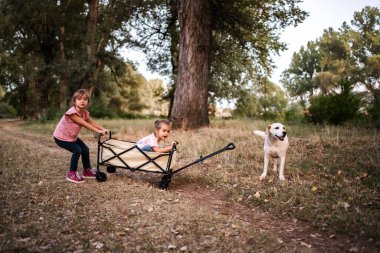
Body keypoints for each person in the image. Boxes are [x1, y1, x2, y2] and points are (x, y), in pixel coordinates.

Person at [53, 89, 109, 183]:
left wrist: (103, 129)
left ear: (88, 102)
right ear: (74, 101)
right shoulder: (72, 113)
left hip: (71, 137)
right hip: (61, 137)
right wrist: (98, 131)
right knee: (77, 150)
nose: (82, 101)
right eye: (79, 99)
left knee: (85, 150)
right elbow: (84, 123)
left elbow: (91, 122)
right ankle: (72, 174)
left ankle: (87, 171)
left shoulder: (84, 113)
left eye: (85, 99)